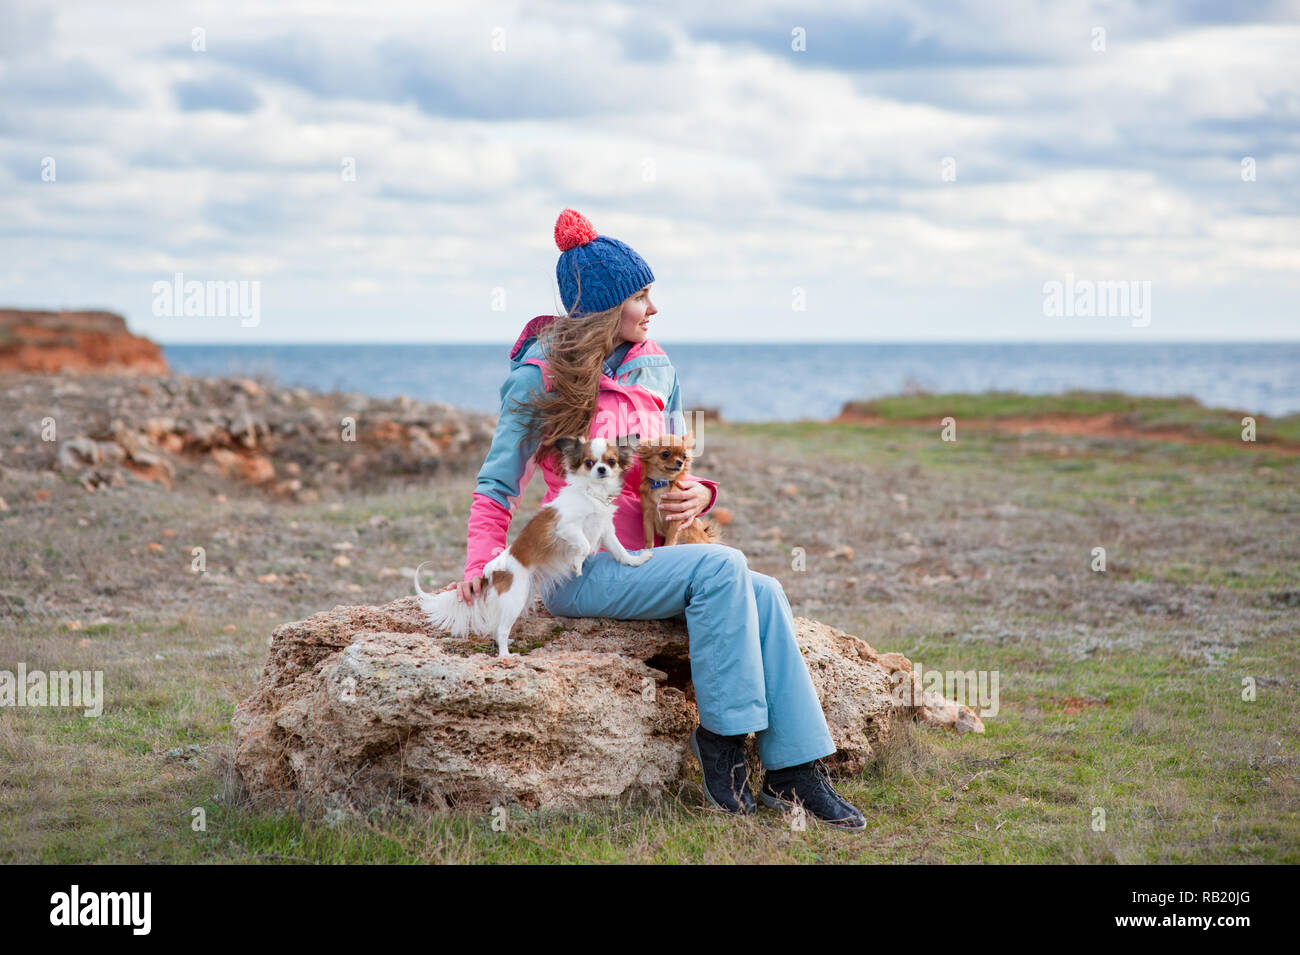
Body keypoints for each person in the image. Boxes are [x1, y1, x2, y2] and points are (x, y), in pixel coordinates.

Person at [455, 208, 866, 830]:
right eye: (641, 295)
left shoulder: (657, 366)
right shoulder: (536, 381)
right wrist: (480, 563)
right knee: (725, 567)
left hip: (655, 558)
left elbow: (676, 464)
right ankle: (723, 745)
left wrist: (698, 493)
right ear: (602, 307)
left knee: (766, 591)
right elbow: (495, 486)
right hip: (585, 569)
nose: (654, 308)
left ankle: (793, 769)